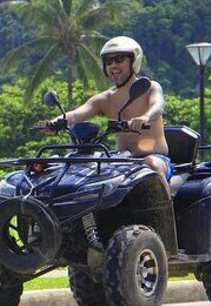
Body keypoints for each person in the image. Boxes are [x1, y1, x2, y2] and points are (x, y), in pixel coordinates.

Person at [46, 36, 173, 191]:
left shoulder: (149, 87)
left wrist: (145, 117)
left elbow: (158, 106)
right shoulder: (105, 98)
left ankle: (167, 212)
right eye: (108, 61)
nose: (113, 65)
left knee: (152, 166)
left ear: (134, 61)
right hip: (122, 161)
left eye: (119, 60)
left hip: (155, 158)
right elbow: (75, 115)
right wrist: (52, 123)